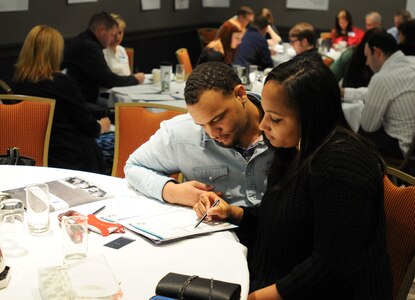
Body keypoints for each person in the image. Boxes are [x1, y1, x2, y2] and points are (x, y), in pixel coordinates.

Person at [194, 58, 393, 299]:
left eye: (275, 119)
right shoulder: (295, 149)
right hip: (275, 280)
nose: (263, 124)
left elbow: (331, 268)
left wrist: (254, 298)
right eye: (265, 113)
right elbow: (285, 226)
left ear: (312, 116)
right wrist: (233, 213)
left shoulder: (342, 163)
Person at [124, 62, 274, 207]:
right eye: (201, 124)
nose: (212, 133)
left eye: (218, 119)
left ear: (240, 94)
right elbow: (133, 167)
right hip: (216, 229)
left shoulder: (283, 121)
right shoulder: (182, 133)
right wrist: (172, 191)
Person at [12, 25, 110, 173]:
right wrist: (100, 127)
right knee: (114, 142)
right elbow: (86, 124)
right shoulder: (62, 83)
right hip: (67, 155)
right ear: (55, 53)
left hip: (29, 153)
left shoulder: (17, 84)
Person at [342, 32, 415, 159]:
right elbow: (380, 91)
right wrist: (346, 92)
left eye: (367, 56)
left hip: (404, 148)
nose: (366, 63)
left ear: (377, 52)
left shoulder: (382, 78)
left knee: (358, 135)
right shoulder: (412, 62)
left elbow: (369, 126)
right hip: (412, 142)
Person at [62, 12, 144, 107]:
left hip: (80, 98)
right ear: (102, 30)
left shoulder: (85, 40)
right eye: (112, 35)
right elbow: (108, 80)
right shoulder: (90, 47)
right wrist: (134, 79)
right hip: (79, 102)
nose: (114, 38)